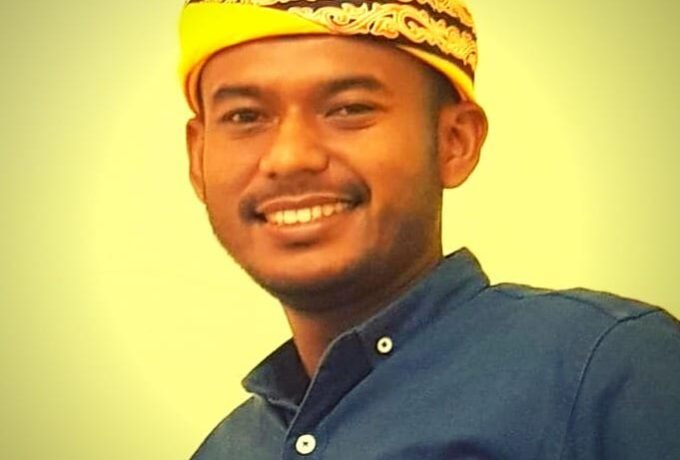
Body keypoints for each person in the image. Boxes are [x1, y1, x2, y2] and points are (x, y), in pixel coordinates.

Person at [178, 0, 680, 458]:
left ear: (454, 141)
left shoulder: (605, 372)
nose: (290, 157)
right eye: (245, 116)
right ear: (197, 158)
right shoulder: (228, 449)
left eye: (349, 109)